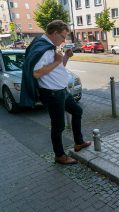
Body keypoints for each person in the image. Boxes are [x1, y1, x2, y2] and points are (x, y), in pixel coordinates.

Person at [20, 20, 91, 164]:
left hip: (62, 91)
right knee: (58, 126)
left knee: (77, 111)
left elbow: (57, 68)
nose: (64, 40)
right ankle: (59, 155)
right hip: (52, 94)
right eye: (63, 37)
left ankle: (78, 142)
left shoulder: (51, 45)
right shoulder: (45, 48)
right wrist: (58, 61)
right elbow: (36, 73)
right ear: (54, 33)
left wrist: (65, 58)